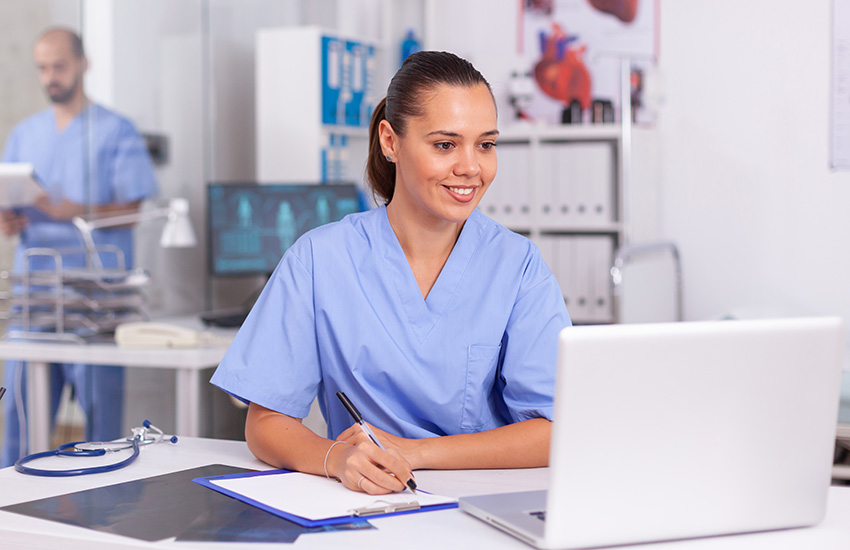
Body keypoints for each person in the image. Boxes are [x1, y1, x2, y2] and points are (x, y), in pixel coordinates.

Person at [211, 51, 570, 494]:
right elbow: (265, 423)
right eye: (445, 145)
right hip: (365, 499)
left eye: (486, 144)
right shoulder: (319, 259)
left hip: (485, 503)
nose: (471, 167)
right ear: (390, 141)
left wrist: (414, 452)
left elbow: (557, 430)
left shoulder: (518, 266)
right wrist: (334, 457)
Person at [0, 27, 158, 467]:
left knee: (100, 425)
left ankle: (99, 518)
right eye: (42, 68)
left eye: (59, 66)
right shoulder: (25, 133)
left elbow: (133, 209)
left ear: (84, 64)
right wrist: (8, 218)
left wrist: (74, 209)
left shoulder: (116, 131)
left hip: (94, 301)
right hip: (35, 300)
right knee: (18, 414)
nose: (50, 76)